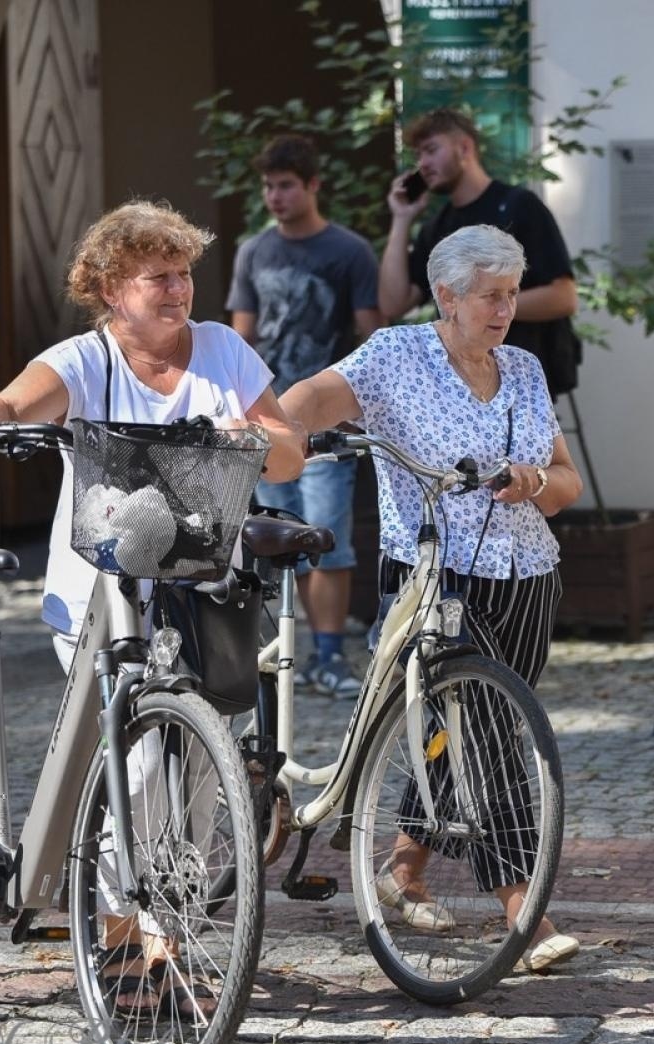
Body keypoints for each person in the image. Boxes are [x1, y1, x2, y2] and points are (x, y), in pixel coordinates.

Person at [0, 199, 305, 1014]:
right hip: (99, 590)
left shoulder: (224, 350)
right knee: (136, 767)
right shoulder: (84, 358)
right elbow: (18, 401)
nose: (178, 290)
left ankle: (171, 923)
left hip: (204, 584)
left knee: (204, 767)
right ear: (108, 286)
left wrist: (256, 434)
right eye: (158, 276)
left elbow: (287, 449)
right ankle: (121, 933)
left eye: (185, 273)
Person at [281, 223, 585, 973]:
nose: (505, 309)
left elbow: (565, 483)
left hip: (526, 578)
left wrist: (535, 482)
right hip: (434, 578)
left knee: (457, 730)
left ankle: (403, 868)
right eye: (490, 295)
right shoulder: (396, 355)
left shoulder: (523, 369)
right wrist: (269, 433)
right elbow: (315, 399)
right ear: (445, 295)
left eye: (512, 294)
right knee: (486, 736)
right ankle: (526, 910)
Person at [227, 133, 383, 698]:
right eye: (268, 186)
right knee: (274, 536)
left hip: (326, 423)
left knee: (329, 537)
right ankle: (284, 655)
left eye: (286, 185)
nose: (275, 196)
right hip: (266, 420)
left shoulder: (348, 251)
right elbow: (240, 337)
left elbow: (371, 336)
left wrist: (363, 409)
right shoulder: (253, 251)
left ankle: (329, 655)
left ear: (313, 185)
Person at [378, 107, 580, 396]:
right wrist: (400, 219)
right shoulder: (438, 226)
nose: (422, 163)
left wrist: (487, 305)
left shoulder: (519, 206)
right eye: (419, 155)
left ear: (464, 147)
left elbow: (564, 297)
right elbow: (393, 304)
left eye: (431, 150)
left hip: (521, 385)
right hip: (457, 388)